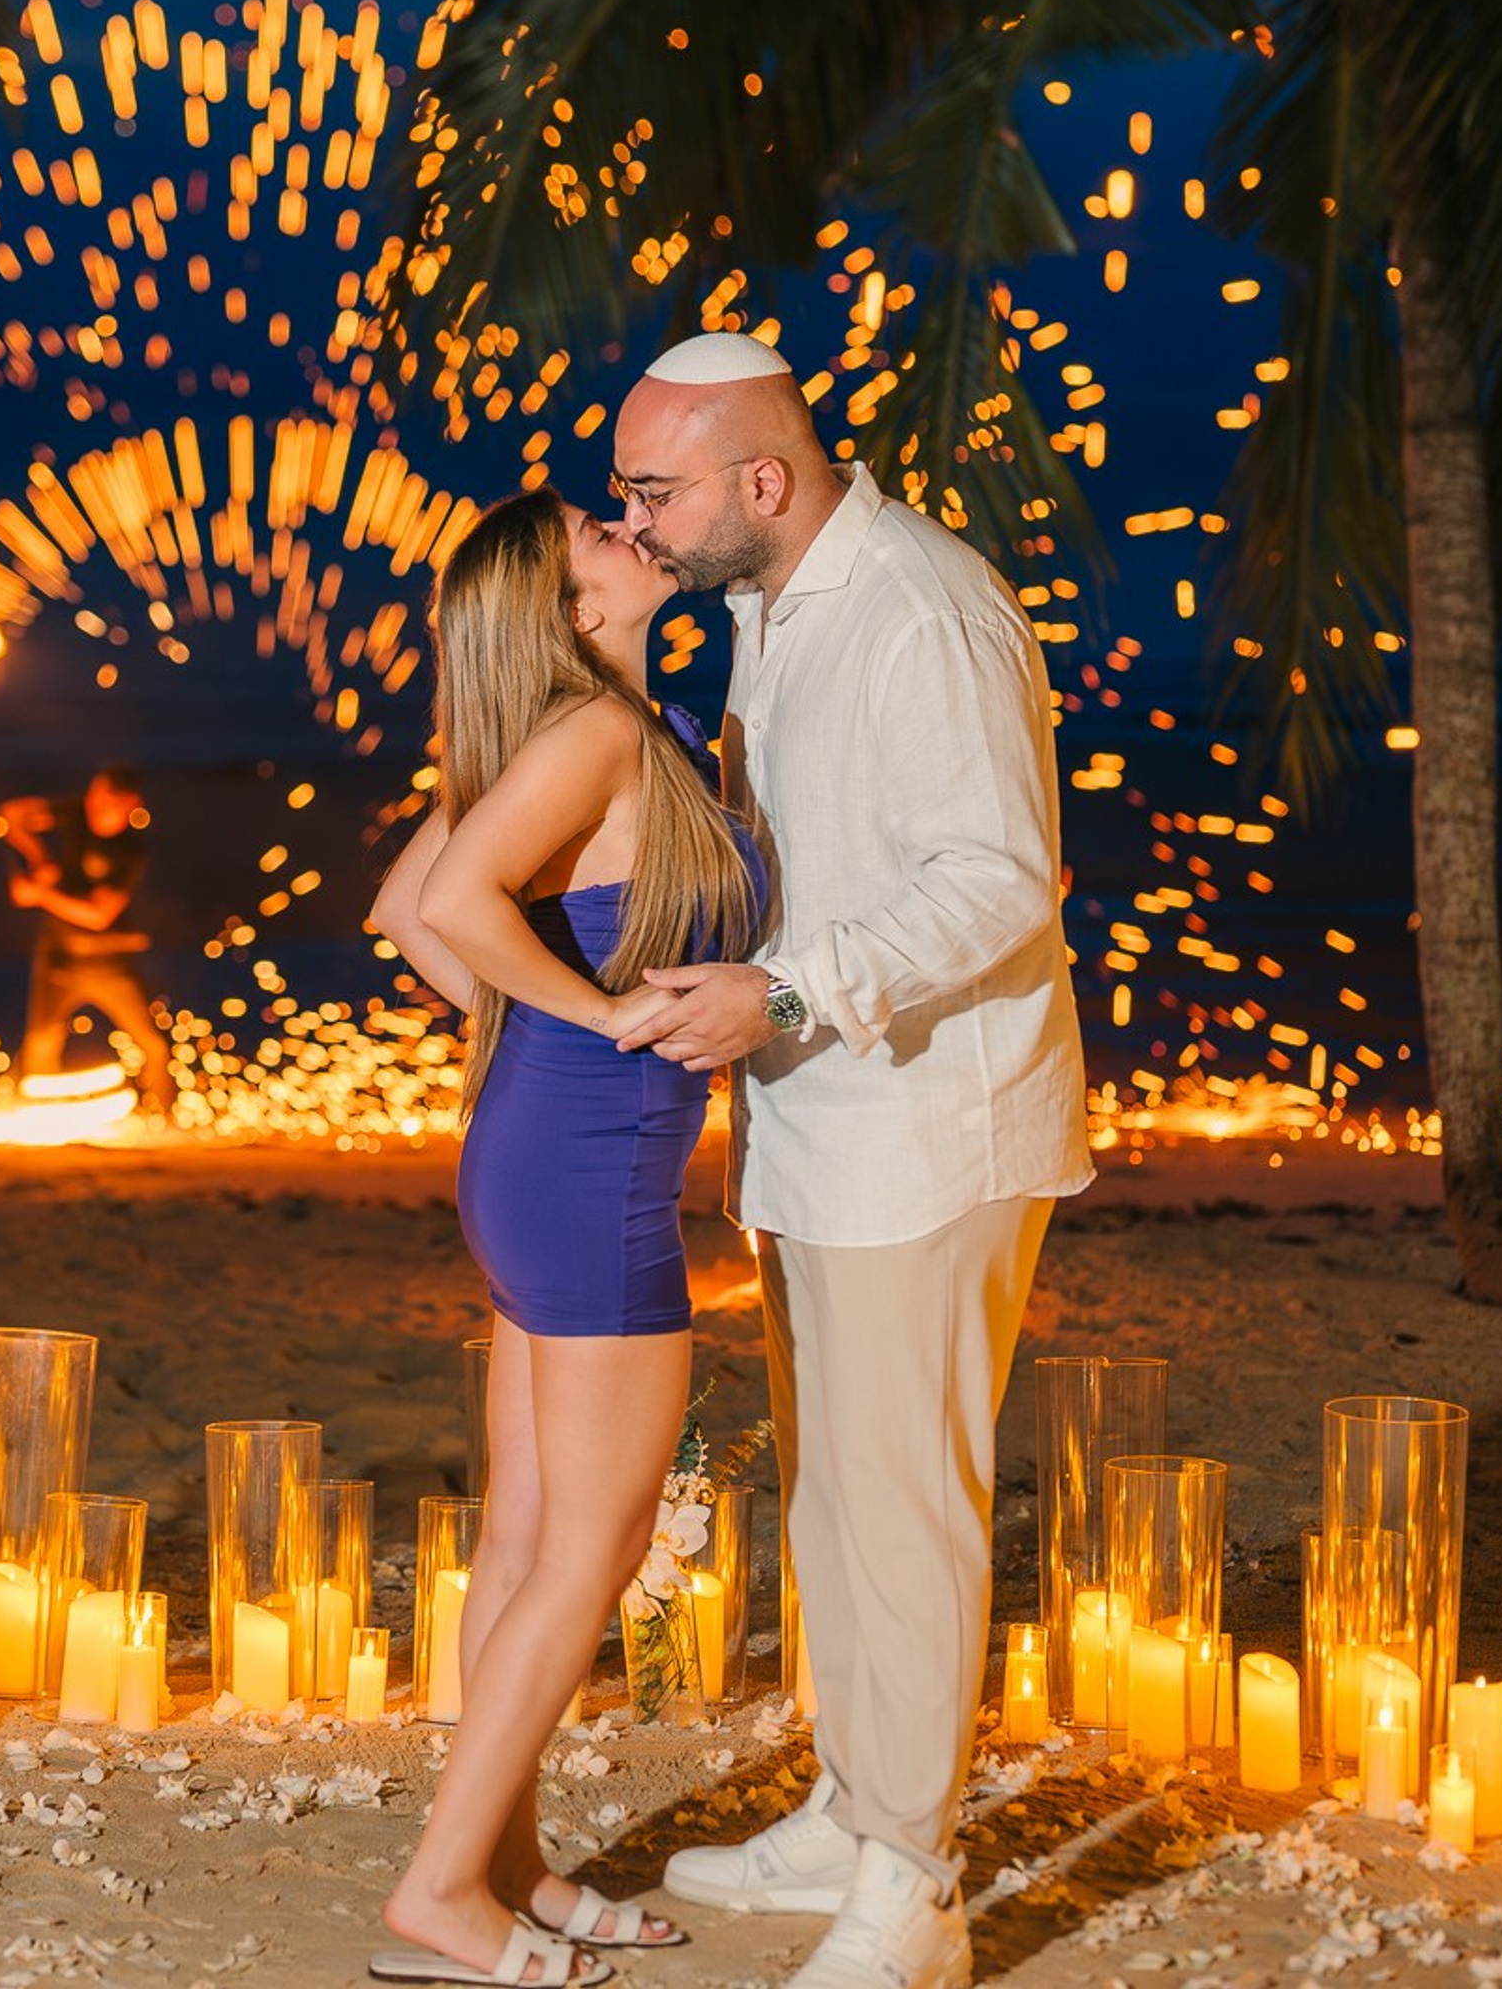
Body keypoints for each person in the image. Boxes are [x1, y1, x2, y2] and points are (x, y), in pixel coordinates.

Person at [607, 331, 1092, 1989]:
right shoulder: (766, 602)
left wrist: (791, 986)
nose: (636, 521)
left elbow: (1000, 882)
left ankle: (914, 1880)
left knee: (908, 1505)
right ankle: (852, 1799)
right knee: (833, 1490)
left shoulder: (920, 609)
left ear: (765, 477)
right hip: (814, 1117)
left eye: (654, 489)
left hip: (925, 1129)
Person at [368, 489, 763, 1989]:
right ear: (563, 596)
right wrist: (596, 1019)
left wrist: (540, 1031)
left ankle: (507, 1865)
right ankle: (443, 1894)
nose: (629, 528)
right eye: (599, 530)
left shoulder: (588, 730)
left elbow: (409, 911)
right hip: (585, 1168)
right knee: (587, 1552)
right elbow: (455, 900)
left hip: (541, 1146)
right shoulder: (594, 737)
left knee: (533, 1539)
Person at [8, 764, 177, 1115]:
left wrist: (40, 894)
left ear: (130, 805)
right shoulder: (73, 814)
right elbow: (11, 815)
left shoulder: (130, 852)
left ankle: (164, 1114)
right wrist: (38, 860)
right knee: (40, 1041)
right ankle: (38, 1115)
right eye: (93, 798)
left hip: (109, 964)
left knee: (152, 1045)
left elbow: (98, 916)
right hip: (58, 959)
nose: (96, 808)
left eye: (107, 803)